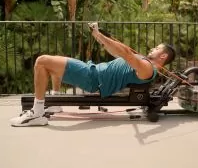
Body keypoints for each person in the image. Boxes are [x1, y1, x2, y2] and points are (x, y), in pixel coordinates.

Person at [10, 22, 176, 127]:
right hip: (93, 72)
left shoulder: (147, 68)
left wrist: (102, 36)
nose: (152, 48)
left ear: (163, 56)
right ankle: (55, 102)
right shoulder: (143, 62)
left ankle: (37, 112)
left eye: (157, 48)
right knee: (53, 65)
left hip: (93, 78)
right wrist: (98, 36)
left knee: (41, 61)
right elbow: (118, 53)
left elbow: (126, 54)